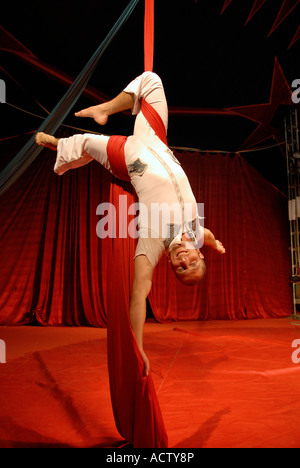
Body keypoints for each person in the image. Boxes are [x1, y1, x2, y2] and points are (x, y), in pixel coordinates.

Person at [35, 71, 225, 375]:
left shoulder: (152, 243)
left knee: (85, 143)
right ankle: (105, 109)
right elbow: (207, 233)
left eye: (180, 270)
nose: (182, 264)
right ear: (197, 254)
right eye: (191, 264)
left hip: (129, 158)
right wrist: (214, 244)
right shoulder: (194, 232)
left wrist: (138, 347)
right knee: (152, 80)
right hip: (158, 143)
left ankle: (59, 146)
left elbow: (139, 297)